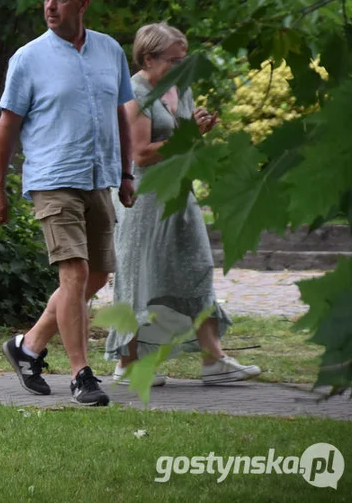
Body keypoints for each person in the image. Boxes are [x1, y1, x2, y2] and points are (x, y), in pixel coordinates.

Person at [0, 0, 135, 407]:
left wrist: (126, 175)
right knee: (73, 274)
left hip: (99, 178)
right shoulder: (27, 58)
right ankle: (80, 375)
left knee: (98, 274)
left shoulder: (110, 50)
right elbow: (6, 129)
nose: (51, 5)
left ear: (83, 4)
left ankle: (28, 346)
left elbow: (121, 116)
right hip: (52, 179)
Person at [105, 22, 261, 385]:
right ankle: (128, 364)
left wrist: (199, 132)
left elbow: (184, 143)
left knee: (197, 267)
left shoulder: (180, 89)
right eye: (175, 60)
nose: (182, 66)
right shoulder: (133, 92)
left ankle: (214, 359)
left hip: (179, 192)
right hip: (142, 197)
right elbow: (141, 154)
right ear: (148, 58)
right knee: (140, 277)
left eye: (184, 59)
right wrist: (190, 135)